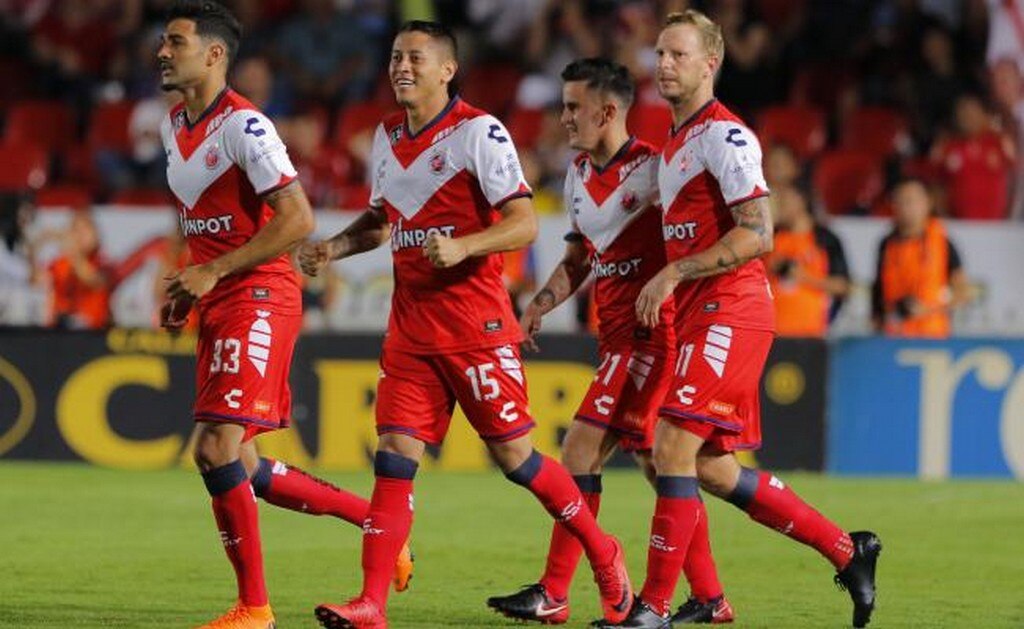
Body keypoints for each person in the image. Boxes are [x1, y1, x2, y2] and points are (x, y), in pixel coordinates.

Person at [299, 20, 632, 629]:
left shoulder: (480, 132)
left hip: (474, 326)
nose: (401, 67)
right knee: (394, 457)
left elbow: (525, 223)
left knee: (518, 461)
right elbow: (380, 221)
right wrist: (333, 248)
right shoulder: (385, 135)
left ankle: (603, 551)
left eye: (416, 58)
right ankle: (372, 603)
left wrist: (466, 246)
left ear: (447, 70)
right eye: (396, 56)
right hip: (410, 330)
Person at [603, 11, 882, 628]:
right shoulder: (675, 142)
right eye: (660, 53)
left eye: (679, 54)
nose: (665, 63)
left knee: (671, 446)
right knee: (711, 469)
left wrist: (675, 272)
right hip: (698, 315)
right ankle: (847, 549)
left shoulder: (726, 138)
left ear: (711, 63)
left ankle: (649, 610)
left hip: (733, 309)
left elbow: (758, 234)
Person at [155, 4, 410, 628]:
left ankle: (255, 608)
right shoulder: (172, 124)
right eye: (163, 40)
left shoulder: (246, 127)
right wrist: (193, 281)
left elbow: (297, 219)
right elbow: (205, 223)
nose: (162, 51)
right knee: (236, 460)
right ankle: (373, 522)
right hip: (220, 297)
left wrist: (215, 271)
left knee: (214, 446)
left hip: (261, 293)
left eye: (176, 41)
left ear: (214, 55)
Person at [486, 57, 732, 626]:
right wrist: (540, 305)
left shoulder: (655, 170)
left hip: (654, 336)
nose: (564, 117)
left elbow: (695, 234)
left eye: (574, 107)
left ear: (608, 111)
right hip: (615, 335)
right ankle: (712, 596)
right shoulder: (576, 175)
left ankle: (556, 589)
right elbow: (578, 262)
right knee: (655, 465)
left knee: (579, 451)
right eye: (564, 105)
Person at [871, 178, 970, 338]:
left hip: (932, 337)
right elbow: (878, 290)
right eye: (901, 201)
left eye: (912, 201)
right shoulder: (887, 245)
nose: (907, 207)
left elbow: (962, 292)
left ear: (927, 203)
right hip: (893, 336)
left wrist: (929, 309)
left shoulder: (942, 243)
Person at [767, 185, 851, 337]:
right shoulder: (770, 237)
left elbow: (842, 286)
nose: (779, 206)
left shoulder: (826, 239)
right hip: (770, 332)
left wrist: (803, 277)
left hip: (810, 333)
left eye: (784, 201)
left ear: (801, 201)